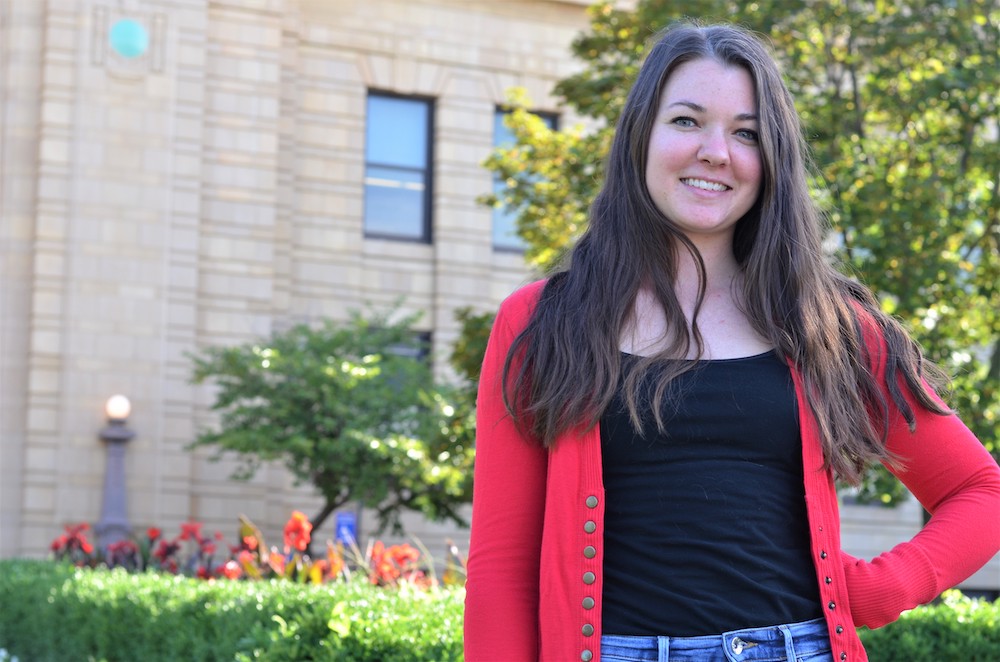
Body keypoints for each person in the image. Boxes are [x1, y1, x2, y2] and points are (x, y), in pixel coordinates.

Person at [463, 22, 1000, 662]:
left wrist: (885, 588)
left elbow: (981, 493)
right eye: (687, 121)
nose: (716, 151)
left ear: (771, 160)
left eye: (746, 133)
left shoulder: (831, 327)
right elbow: (501, 567)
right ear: (641, 136)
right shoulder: (539, 322)